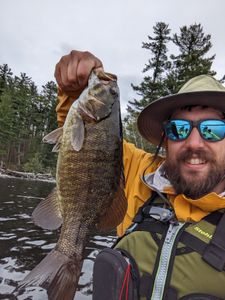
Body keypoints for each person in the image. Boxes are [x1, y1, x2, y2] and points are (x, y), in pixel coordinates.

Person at [54, 50, 225, 299]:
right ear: (166, 139)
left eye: (213, 129)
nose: (194, 143)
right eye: (179, 128)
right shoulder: (140, 173)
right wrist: (75, 87)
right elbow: (86, 144)